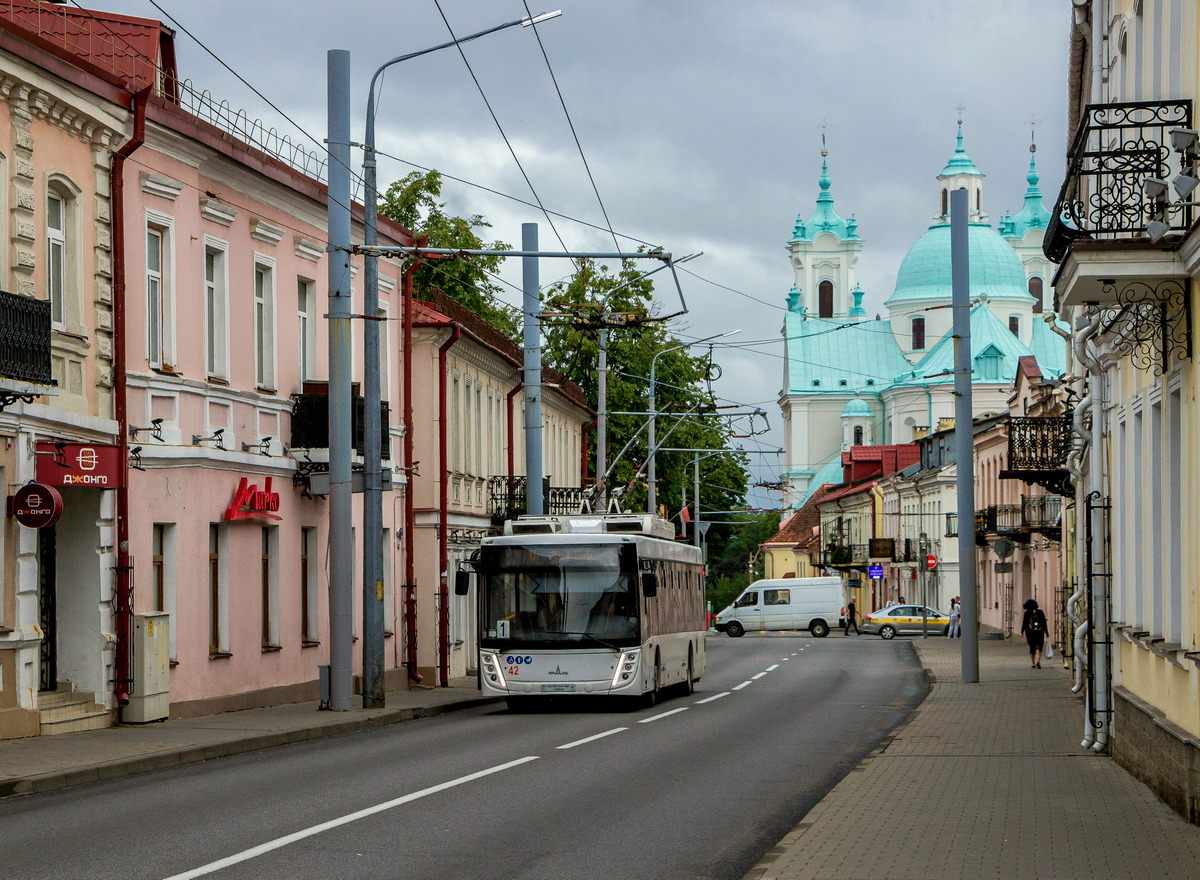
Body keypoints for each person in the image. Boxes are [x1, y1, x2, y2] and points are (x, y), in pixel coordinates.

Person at [1020, 598, 1048, 668]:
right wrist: (1046, 632)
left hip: (1030, 632)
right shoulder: (1040, 612)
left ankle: (1033, 663)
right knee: (1039, 645)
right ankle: (1038, 660)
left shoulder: (1027, 613)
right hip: (1039, 631)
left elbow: (1025, 623)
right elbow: (1044, 622)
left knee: (1032, 646)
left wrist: (1022, 632)